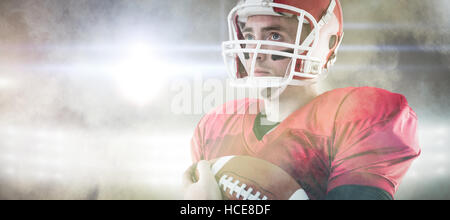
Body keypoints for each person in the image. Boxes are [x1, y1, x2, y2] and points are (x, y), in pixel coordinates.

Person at [182, 0, 420, 200]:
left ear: (322, 44)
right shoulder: (214, 128)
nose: (256, 52)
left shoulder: (359, 116)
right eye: (249, 35)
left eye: (274, 35)